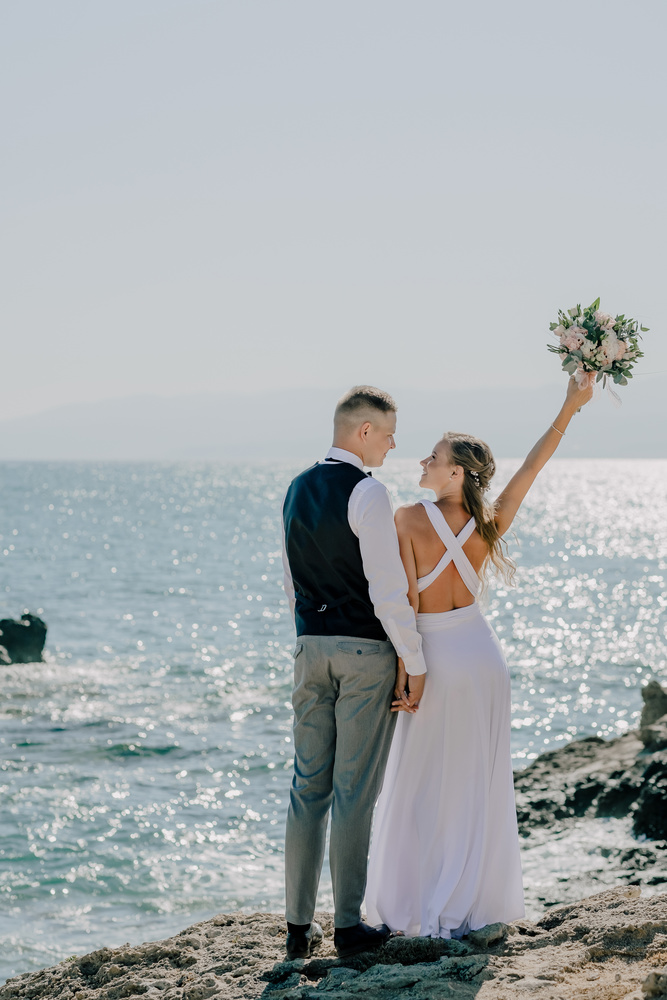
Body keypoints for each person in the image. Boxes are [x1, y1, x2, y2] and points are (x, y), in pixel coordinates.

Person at [365, 376, 594, 938]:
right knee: (475, 784)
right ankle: (471, 903)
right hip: (483, 658)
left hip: (435, 659)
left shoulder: (407, 519)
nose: (423, 460)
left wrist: (405, 676)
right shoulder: (488, 526)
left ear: (457, 473)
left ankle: (414, 902)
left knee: (421, 782)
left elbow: (406, 605)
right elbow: (530, 471)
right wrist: (571, 404)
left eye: (434, 457)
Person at [281, 385, 428, 961]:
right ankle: (346, 926)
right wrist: (413, 663)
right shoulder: (367, 491)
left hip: (308, 649)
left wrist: (308, 638)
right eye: (389, 434)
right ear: (363, 431)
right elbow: (388, 590)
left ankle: (297, 929)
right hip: (365, 654)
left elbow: (289, 581)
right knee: (353, 792)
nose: (393, 445)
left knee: (306, 789)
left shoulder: (296, 488)